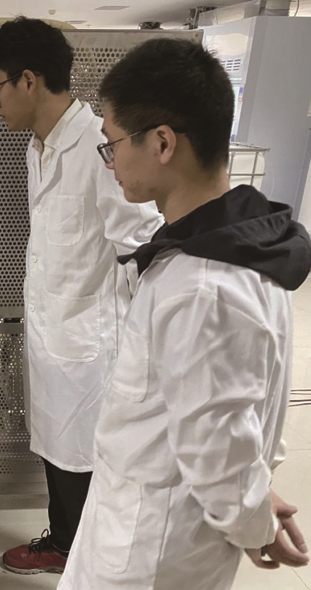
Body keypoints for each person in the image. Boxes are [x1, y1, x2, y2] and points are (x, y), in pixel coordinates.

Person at [58, 38, 311, 589]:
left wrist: (256, 521)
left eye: (112, 144)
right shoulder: (239, 238)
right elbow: (234, 414)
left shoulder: (202, 286)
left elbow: (220, 456)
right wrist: (256, 498)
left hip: (150, 550)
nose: (110, 162)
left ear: (162, 142)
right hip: (150, 518)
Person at [0, 17, 164, 574]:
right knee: (59, 455)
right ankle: (63, 545)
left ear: (28, 80)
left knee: (84, 462)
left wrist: (149, 355)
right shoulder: (37, 146)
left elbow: (142, 249)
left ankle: (86, 561)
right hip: (53, 336)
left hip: (90, 346)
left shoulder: (99, 149)